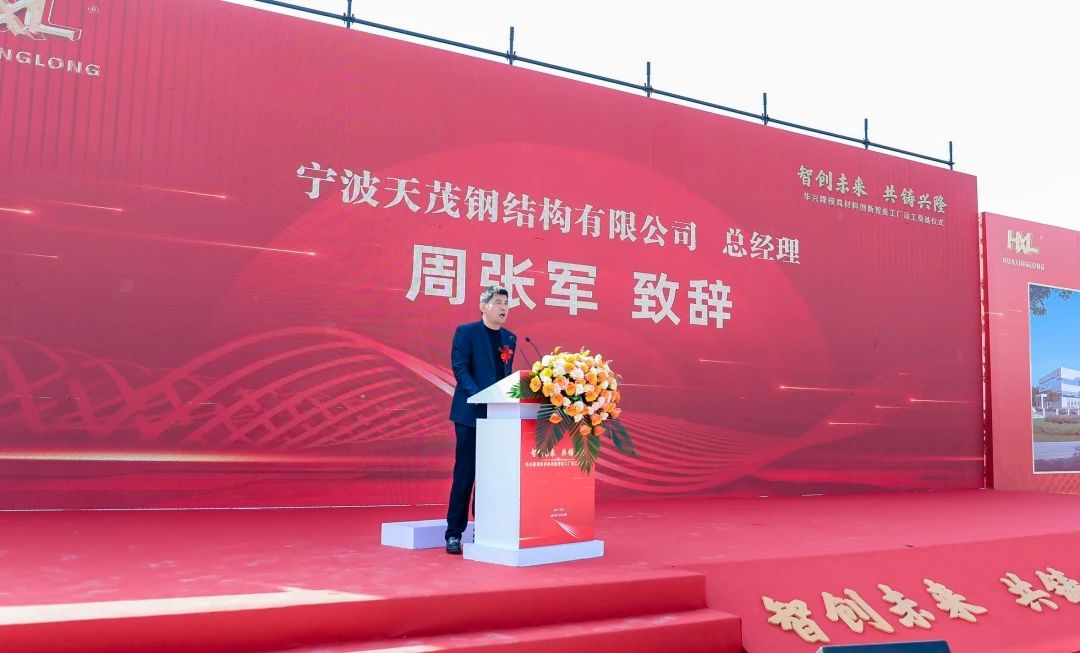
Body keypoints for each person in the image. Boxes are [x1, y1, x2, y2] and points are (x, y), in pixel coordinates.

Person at [445, 285, 516, 554]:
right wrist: (480, 396)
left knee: (491, 476)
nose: (503, 308)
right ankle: (454, 532)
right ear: (483, 306)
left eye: (506, 303)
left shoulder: (509, 338)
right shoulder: (467, 332)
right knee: (466, 474)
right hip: (470, 415)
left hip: (499, 418)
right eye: (498, 302)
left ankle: (484, 527)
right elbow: (460, 368)